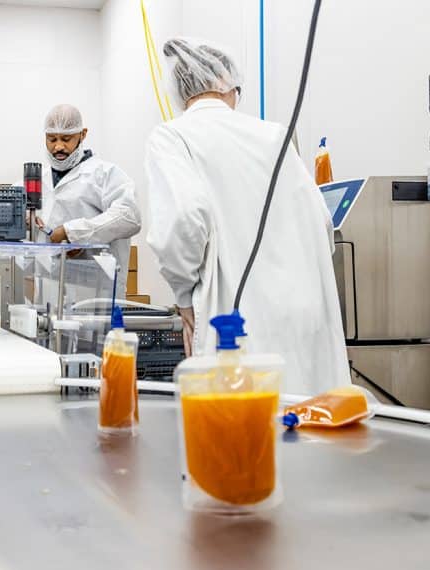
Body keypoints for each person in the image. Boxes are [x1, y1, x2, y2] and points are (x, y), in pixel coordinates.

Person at [145, 38, 350, 395]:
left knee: (244, 436)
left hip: (235, 322)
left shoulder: (172, 136)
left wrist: (183, 298)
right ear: (230, 86)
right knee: (310, 427)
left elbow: (183, 219)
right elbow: (321, 221)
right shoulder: (276, 136)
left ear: (179, 91)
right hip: (305, 318)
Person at [38, 104, 141, 297]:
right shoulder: (39, 179)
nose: (58, 146)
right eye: (52, 139)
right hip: (49, 294)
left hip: (97, 295)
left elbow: (130, 216)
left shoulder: (105, 174)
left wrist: (74, 233)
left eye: (66, 139)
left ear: (82, 134)